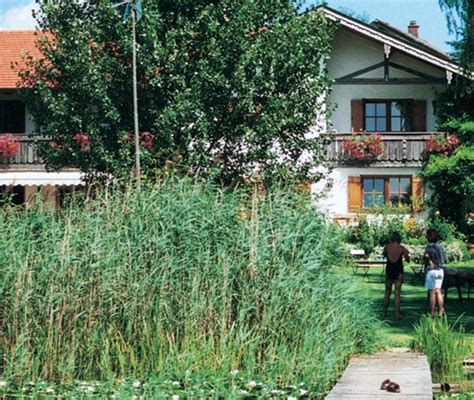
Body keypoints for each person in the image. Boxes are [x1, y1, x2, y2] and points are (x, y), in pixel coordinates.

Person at [382, 232, 410, 319]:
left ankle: (384, 313)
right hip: (398, 271)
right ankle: (397, 314)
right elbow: (408, 259)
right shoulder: (401, 248)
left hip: (389, 270)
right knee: (397, 294)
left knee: (387, 292)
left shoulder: (387, 247)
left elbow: (384, 255)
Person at [424, 229, 446, 317]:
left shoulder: (428, 247)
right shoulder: (440, 247)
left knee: (432, 292)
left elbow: (426, 258)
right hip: (440, 271)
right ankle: (440, 312)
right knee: (439, 291)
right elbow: (443, 259)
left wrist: (428, 258)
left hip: (432, 271)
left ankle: (432, 312)